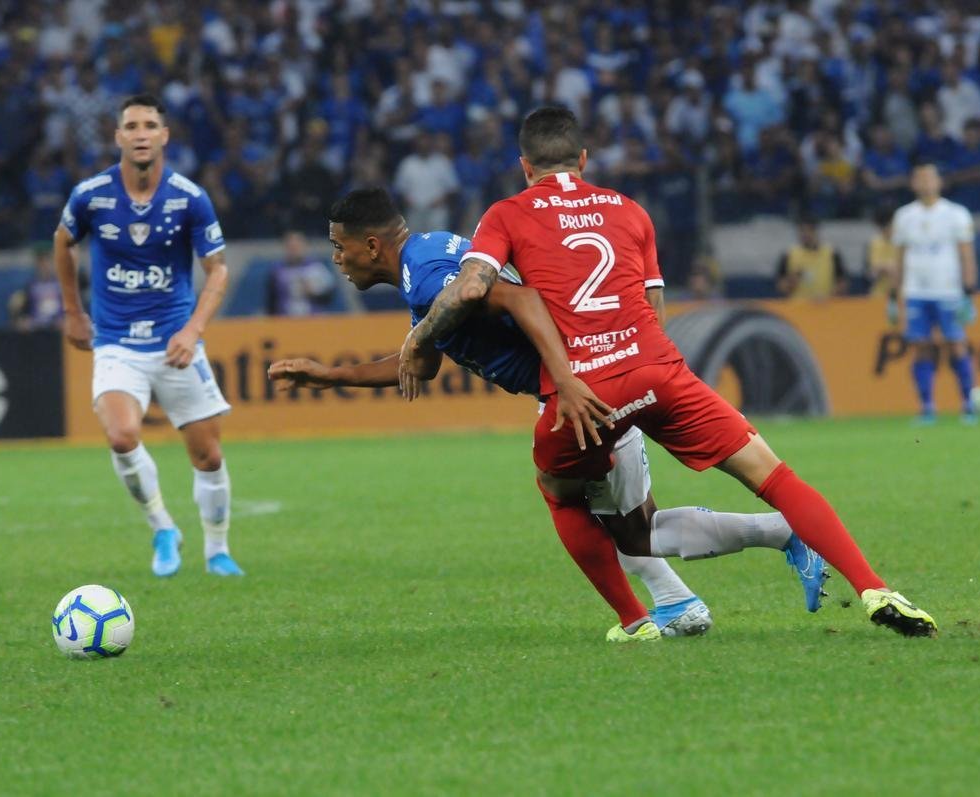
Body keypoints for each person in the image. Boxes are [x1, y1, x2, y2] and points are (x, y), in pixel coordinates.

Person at [401, 106, 937, 639]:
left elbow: (471, 289)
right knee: (774, 475)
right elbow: (654, 309)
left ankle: (635, 622)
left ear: (525, 166)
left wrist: (417, 338)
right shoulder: (631, 210)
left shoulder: (506, 214)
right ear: (584, 159)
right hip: (658, 368)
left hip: (584, 387)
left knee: (558, 490)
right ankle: (875, 589)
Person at [267, 188, 828, 639]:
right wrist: (328, 375)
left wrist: (564, 379)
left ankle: (759, 547)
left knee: (626, 528)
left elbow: (518, 299)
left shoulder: (429, 271)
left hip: (583, 392)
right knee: (632, 529)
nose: (336, 260)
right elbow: (423, 361)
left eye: (339, 247)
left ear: (371, 244)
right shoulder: (427, 263)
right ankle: (684, 600)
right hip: (582, 385)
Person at [54, 93, 243, 578]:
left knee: (208, 454)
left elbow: (218, 270)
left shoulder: (189, 197)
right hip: (116, 342)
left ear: (163, 136)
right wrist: (73, 311)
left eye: (149, 125)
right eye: (131, 125)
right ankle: (163, 527)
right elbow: (62, 241)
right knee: (121, 435)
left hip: (176, 343)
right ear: (118, 136)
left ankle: (217, 550)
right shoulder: (92, 194)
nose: (140, 133)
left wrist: (193, 330)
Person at [888, 162, 980, 424]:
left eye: (930, 177)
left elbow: (966, 255)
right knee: (920, 348)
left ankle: (967, 404)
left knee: (956, 344)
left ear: (939, 182)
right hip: (916, 291)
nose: (925, 183)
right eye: (920, 178)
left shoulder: (956, 214)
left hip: (948, 291)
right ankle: (927, 406)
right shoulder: (904, 216)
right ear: (913, 183)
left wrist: (969, 293)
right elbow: (899, 258)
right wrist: (895, 297)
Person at [264, 230, 339, 316]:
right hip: (285, 320)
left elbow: (329, 297)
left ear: (304, 245)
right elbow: (271, 300)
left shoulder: (316, 267)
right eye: (291, 246)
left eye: (297, 245)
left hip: (312, 320)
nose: (294, 249)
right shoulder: (277, 270)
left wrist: (314, 293)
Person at [774, 215, 848, 300]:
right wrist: (792, 281)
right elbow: (781, 288)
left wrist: (829, 297)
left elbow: (842, 283)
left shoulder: (832, 253)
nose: (805, 234)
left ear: (816, 231)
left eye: (809, 230)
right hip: (798, 307)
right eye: (802, 231)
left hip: (826, 307)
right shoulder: (788, 255)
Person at [864, 204, 898, 298]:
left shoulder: (903, 242)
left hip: (901, 293)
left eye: (889, 225)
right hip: (879, 295)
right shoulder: (873, 243)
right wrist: (887, 267)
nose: (886, 230)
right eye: (882, 227)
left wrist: (883, 267)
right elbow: (871, 272)